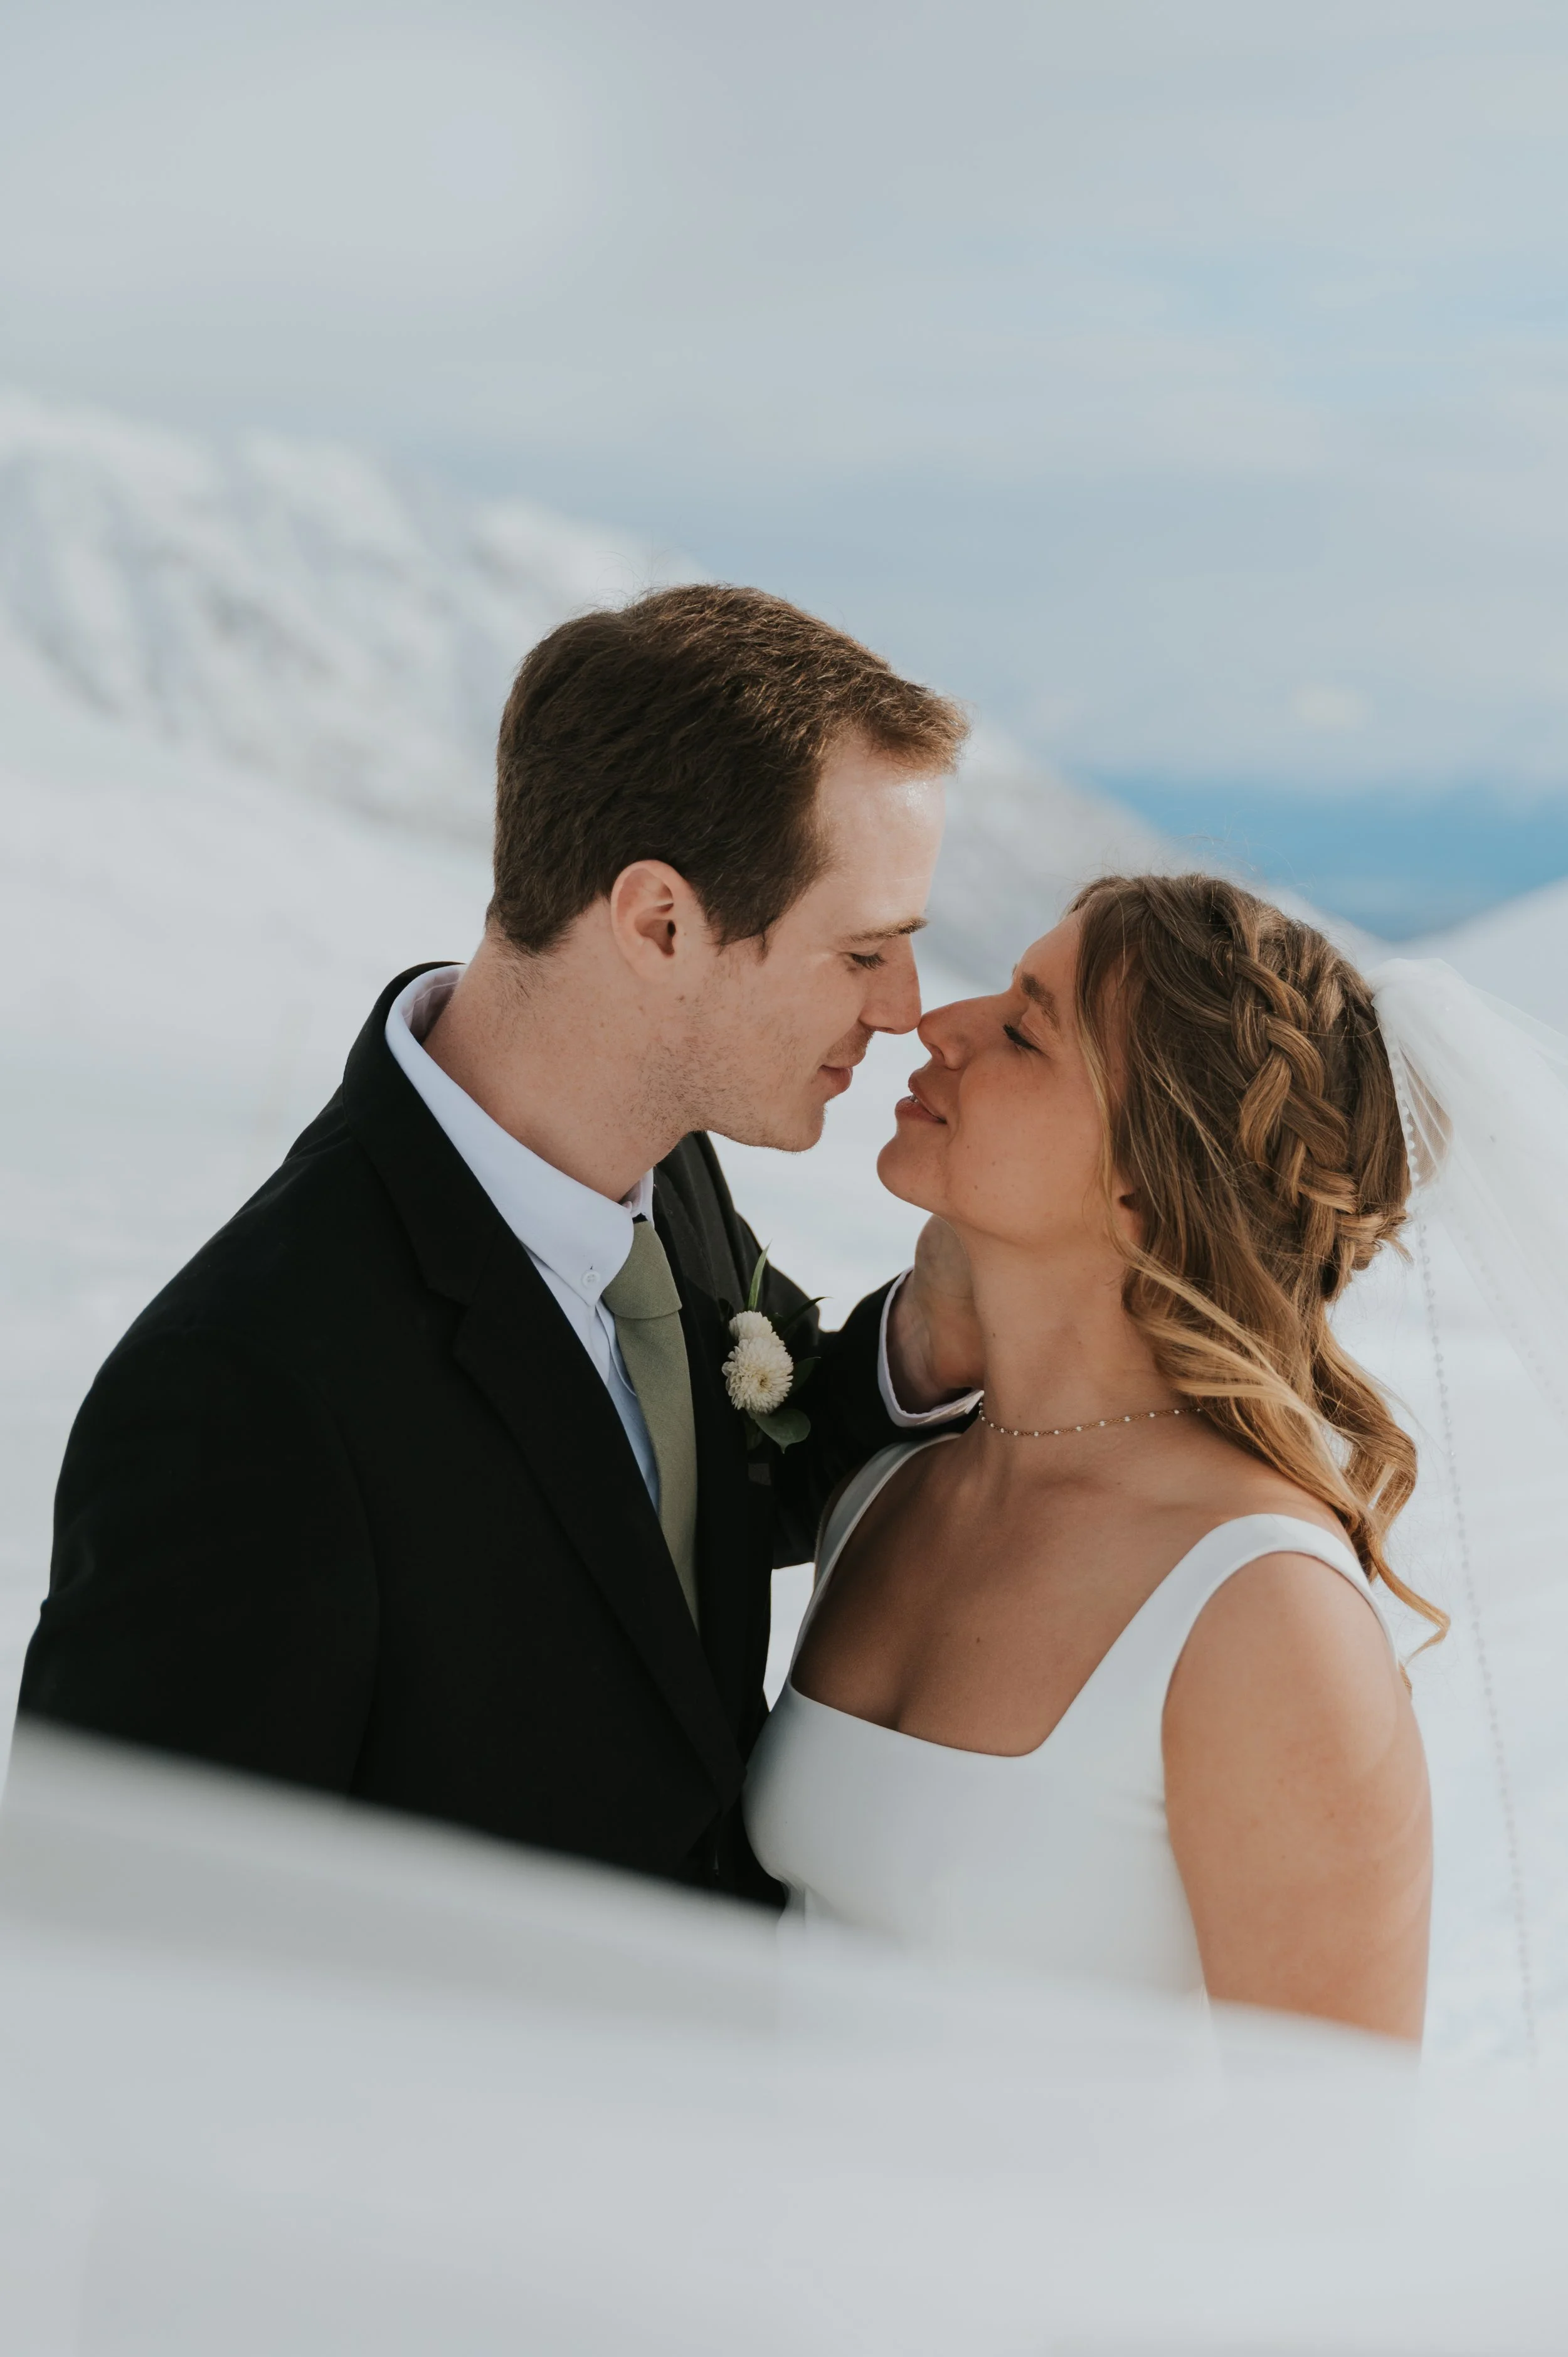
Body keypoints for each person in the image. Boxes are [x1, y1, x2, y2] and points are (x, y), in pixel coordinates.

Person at [18, 585, 984, 1899]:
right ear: (659, 923)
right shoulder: (244, 1387)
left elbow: (709, 1495)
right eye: (864, 951)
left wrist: (959, 1316)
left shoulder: (671, 1181)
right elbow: (123, 1932)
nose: (905, 1009)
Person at [746, 873, 1437, 2036]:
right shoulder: (890, 1491)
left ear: (1145, 1189)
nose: (938, 1025)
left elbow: (1333, 2136)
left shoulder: (1263, 1609)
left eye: (1024, 1031)